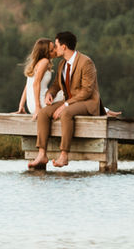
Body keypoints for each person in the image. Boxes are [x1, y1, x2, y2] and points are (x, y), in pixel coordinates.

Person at [29, 31, 101, 170]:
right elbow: (56, 84)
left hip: (87, 102)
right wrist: (49, 93)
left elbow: (87, 91)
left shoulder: (86, 62)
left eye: (55, 46)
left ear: (64, 47)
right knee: (43, 113)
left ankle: (64, 155)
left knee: (66, 113)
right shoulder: (62, 63)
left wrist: (66, 104)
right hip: (70, 100)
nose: (54, 50)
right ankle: (42, 154)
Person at [15, 38, 64, 115]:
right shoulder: (45, 62)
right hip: (40, 103)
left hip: (31, 106)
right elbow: (35, 83)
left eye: (54, 47)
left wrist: (21, 105)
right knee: (67, 94)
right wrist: (38, 107)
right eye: (51, 50)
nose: (55, 50)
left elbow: (28, 86)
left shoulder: (37, 64)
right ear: (45, 53)